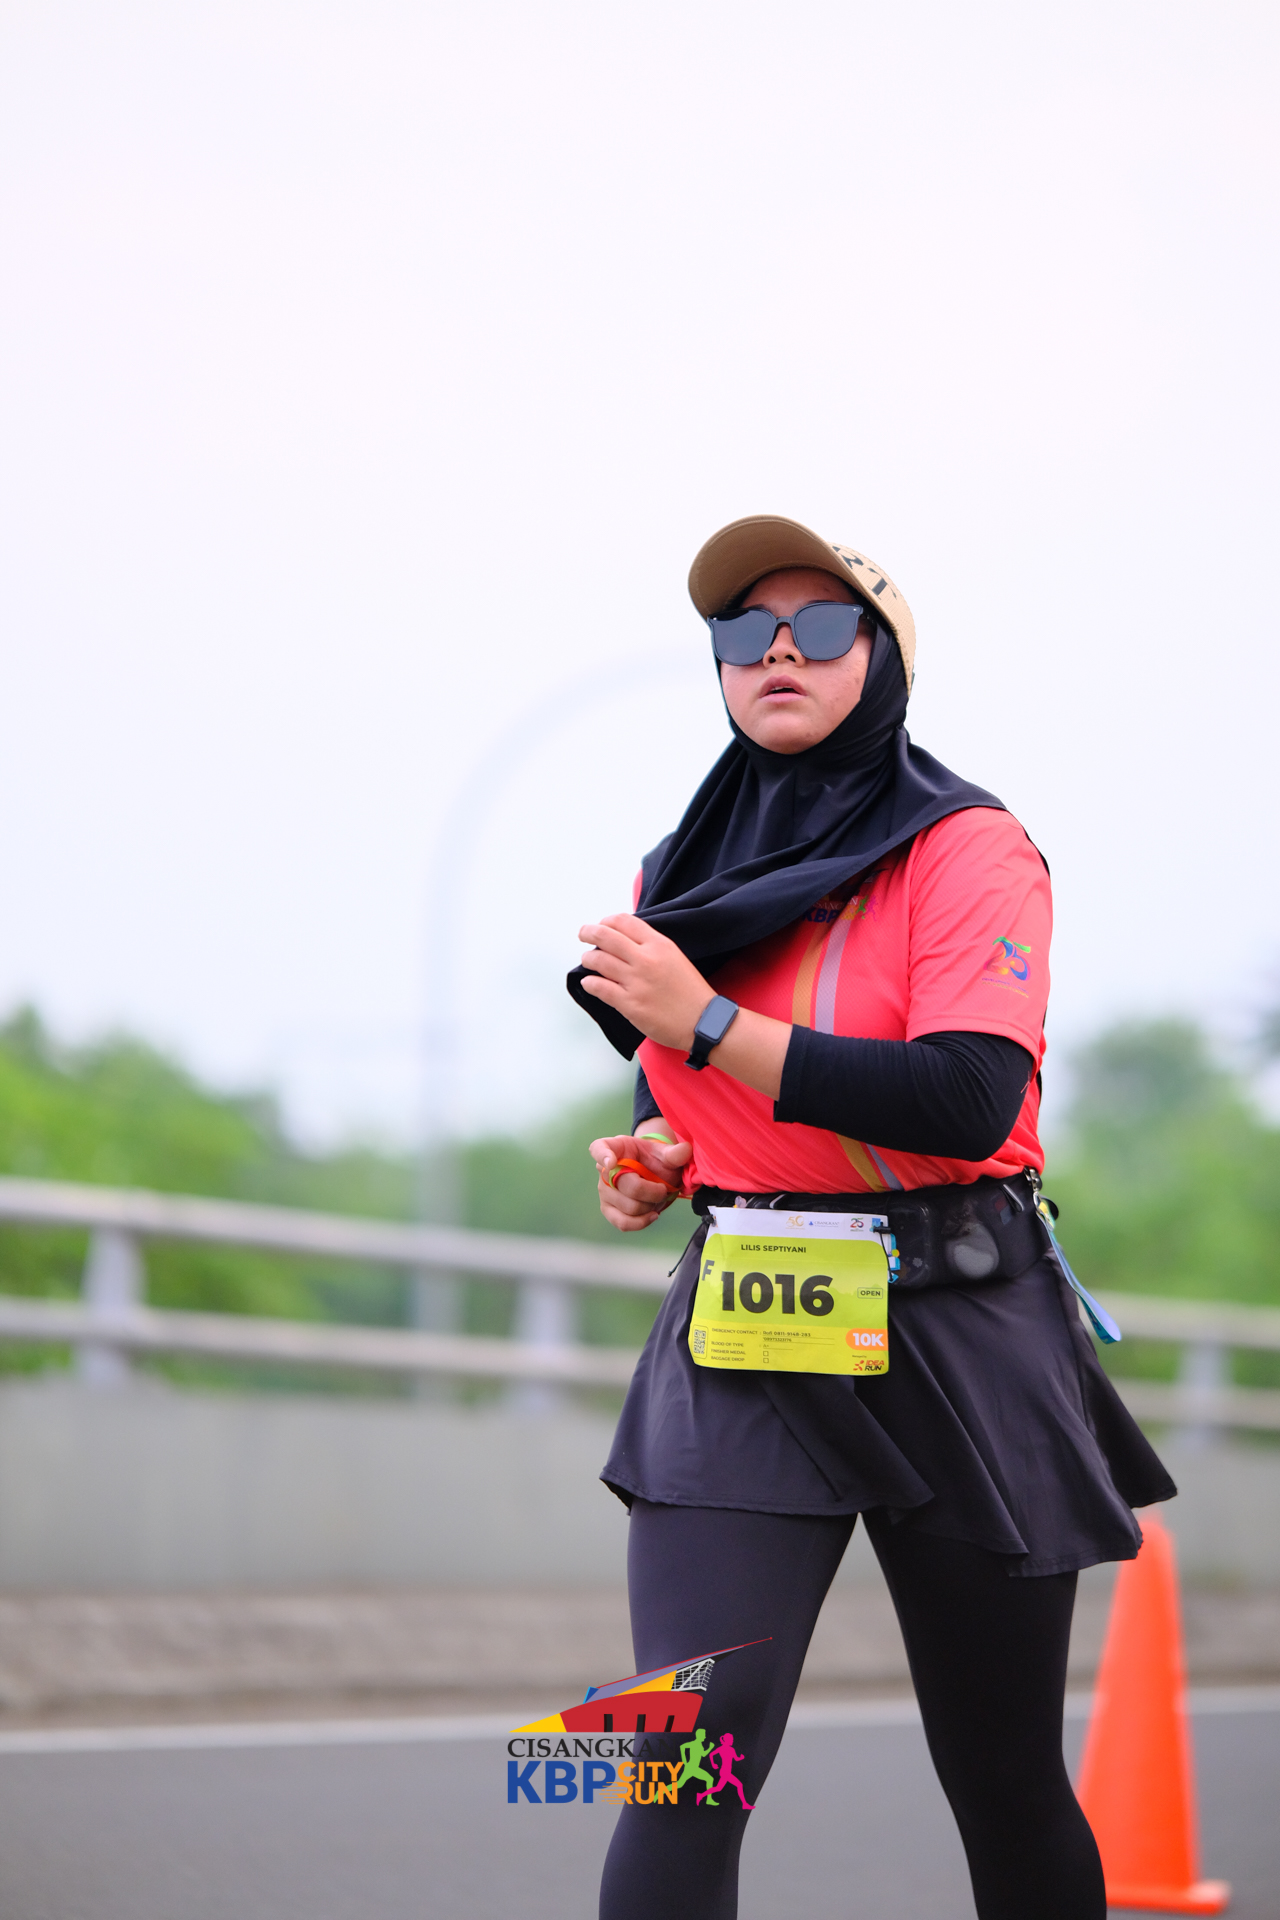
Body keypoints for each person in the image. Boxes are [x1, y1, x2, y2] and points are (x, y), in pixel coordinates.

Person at [567, 515, 1176, 1920]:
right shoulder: (684, 867)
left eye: (821, 624)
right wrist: (662, 1157)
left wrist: (706, 1023)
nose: (777, 650)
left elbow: (966, 1094)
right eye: (743, 630)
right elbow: (692, 1081)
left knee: (1001, 1769)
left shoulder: (969, 846)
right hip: (750, 1316)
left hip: (959, 1319)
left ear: (883, 658)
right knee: (679, 1755)